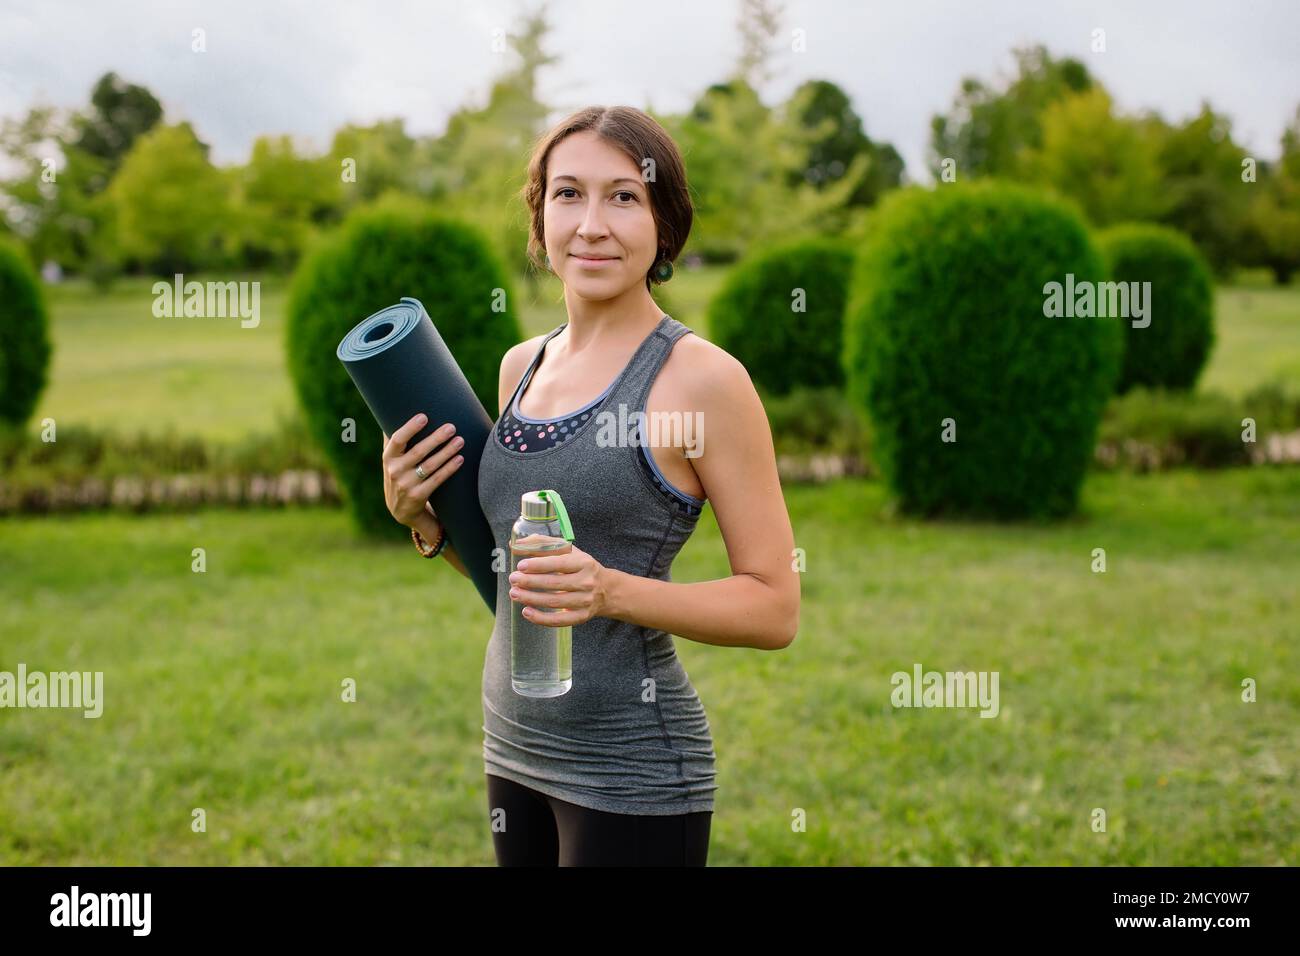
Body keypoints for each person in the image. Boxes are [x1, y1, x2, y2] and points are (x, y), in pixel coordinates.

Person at [381, 105, 799, 866]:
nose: (592, 224)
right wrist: (425, 524)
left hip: (633, 769)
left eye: (624, 196)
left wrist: (609, 592)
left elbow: (774, 606)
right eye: (568, 194)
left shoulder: (702, 381)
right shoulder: (521, 366)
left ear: (664, 225)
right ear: (539, 221)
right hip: (512, 745)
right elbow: (512, 583)